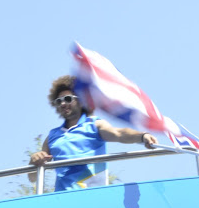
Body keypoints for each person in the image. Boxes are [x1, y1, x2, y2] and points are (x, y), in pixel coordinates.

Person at [29, 75, 158, 191]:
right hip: (63, 201)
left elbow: (118, 133)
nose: (63, 104)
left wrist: (142, 136)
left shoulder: (94, 125)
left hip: (93, 197)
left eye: (67, 99)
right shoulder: (52, 136)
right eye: (59, 101)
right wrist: (34, 160)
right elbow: (32, 177)